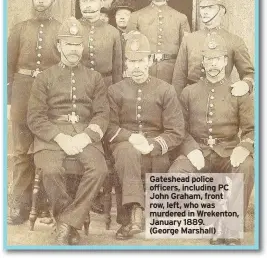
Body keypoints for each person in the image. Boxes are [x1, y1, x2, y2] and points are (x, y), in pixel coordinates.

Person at [27, 17, 109, 245]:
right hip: (52, 136)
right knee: (51, 170)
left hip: (85, 133)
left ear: (83, 47)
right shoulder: (44, 77)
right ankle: (70, 223)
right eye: (68, 44)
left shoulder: (94, 78)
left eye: (77, 44)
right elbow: (34, 117)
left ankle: (66, 224)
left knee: (99, 169)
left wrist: (86, 136)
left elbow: (102, 114)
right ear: (59, 46)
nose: (73, 49)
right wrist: (60, 137)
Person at [168, 34, 254, 245]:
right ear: (203, 63)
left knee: (247, 165)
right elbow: (180, 129)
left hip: (228, 151)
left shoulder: (239, 92)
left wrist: (244, 146)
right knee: (176, 175)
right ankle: (213, 220)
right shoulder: (189, 92)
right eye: (209, 59)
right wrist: (191, 149)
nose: (213, 64)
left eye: (218, 59)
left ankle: (231, 227)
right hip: (199, 151)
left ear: (226, 61)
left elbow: (253, 129)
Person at [106, 31, 185, 240]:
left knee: (142, 158)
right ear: (126, 64)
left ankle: (131, 220)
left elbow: (176, 131)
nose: (137, 67)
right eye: (132, 62)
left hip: (155, 148)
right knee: (127, 153)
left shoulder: (165, 90)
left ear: (149, 61)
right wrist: (131, 137)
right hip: (124, 144)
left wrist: (151, 145)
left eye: (141, 60)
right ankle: (135, 215)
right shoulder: (115, 90)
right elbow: (108, 127)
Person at [7, 0, 61, 225]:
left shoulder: (61, 29)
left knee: (47, 149)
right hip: (21, 93)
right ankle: (20, 205)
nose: (41, 1)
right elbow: (7, 68)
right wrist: (8, 102)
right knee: (21, 152)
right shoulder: (19, 29)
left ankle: (43, 206)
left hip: (48, 98)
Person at [172, 0, 254, 97]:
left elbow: (249, 73)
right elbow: (178, 78)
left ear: (222, 10)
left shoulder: (235, 41)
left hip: (222, 99)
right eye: (202, 8)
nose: (205, 12)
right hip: (192, 100)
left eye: (210, 7)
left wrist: (246, 84)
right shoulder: (189, 39)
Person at [126, 0, 190, 83]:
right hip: (143, 74)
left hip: (171, 76)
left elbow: (185, 56)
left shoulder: (181, 18)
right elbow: (129, 52)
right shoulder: (136, 17)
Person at [78, 0, 123, 86]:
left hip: (105, 88)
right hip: (79, 87)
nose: (87, 5)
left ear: (102, 2)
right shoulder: (73, 28)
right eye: (84, 0)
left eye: (92, 0)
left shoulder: (113, 32)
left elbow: (117, 71)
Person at [111, 0, 136, 76]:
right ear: (114, 16)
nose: (122, 17)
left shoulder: (137, 36)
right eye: (119, 14)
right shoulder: (111, 35)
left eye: (126, 14)